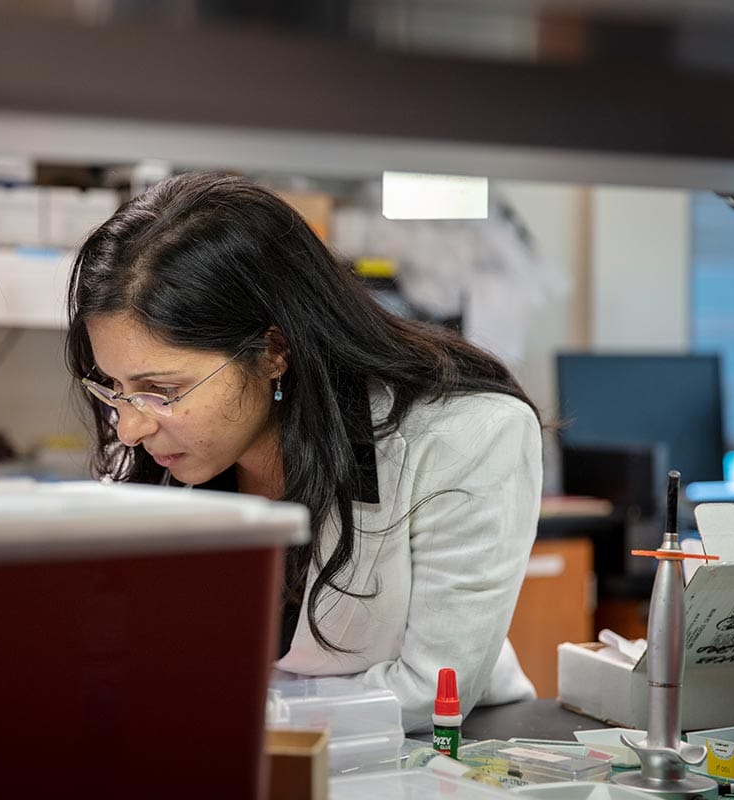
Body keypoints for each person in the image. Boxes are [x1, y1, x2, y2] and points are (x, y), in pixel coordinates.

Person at [66, 172, 542, 732]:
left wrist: (223, 709)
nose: (128, 429)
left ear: (273, 349)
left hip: (432, 755)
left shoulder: (466, 436)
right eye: (113, 389)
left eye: (162, 391)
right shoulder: (158, 448)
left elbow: (431, 688)